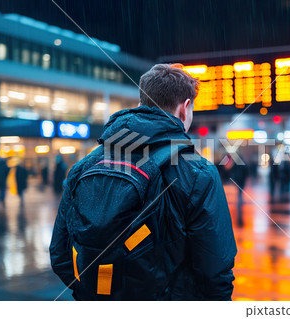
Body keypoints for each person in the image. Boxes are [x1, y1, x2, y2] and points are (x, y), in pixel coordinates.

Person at [50, 64, 237, 300]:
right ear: (185, 107)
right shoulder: (198, 172)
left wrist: (90, 294)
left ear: (141, 103)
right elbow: (215, 269)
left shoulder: (84, 166)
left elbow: (59, 253)